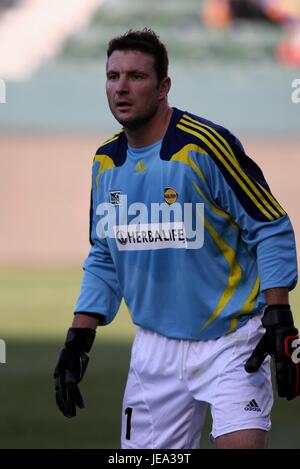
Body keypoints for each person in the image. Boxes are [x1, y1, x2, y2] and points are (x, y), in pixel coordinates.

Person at [54, 28, 300, 449]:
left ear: (164, 85)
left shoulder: (205, 148)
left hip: (233, 340)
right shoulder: (105, 162)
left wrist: (280, 319)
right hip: (155, 351)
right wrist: (79, 338)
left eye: (136, 76)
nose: (121, 88)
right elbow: (104, 257)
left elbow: (270, 226)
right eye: (113, 77)